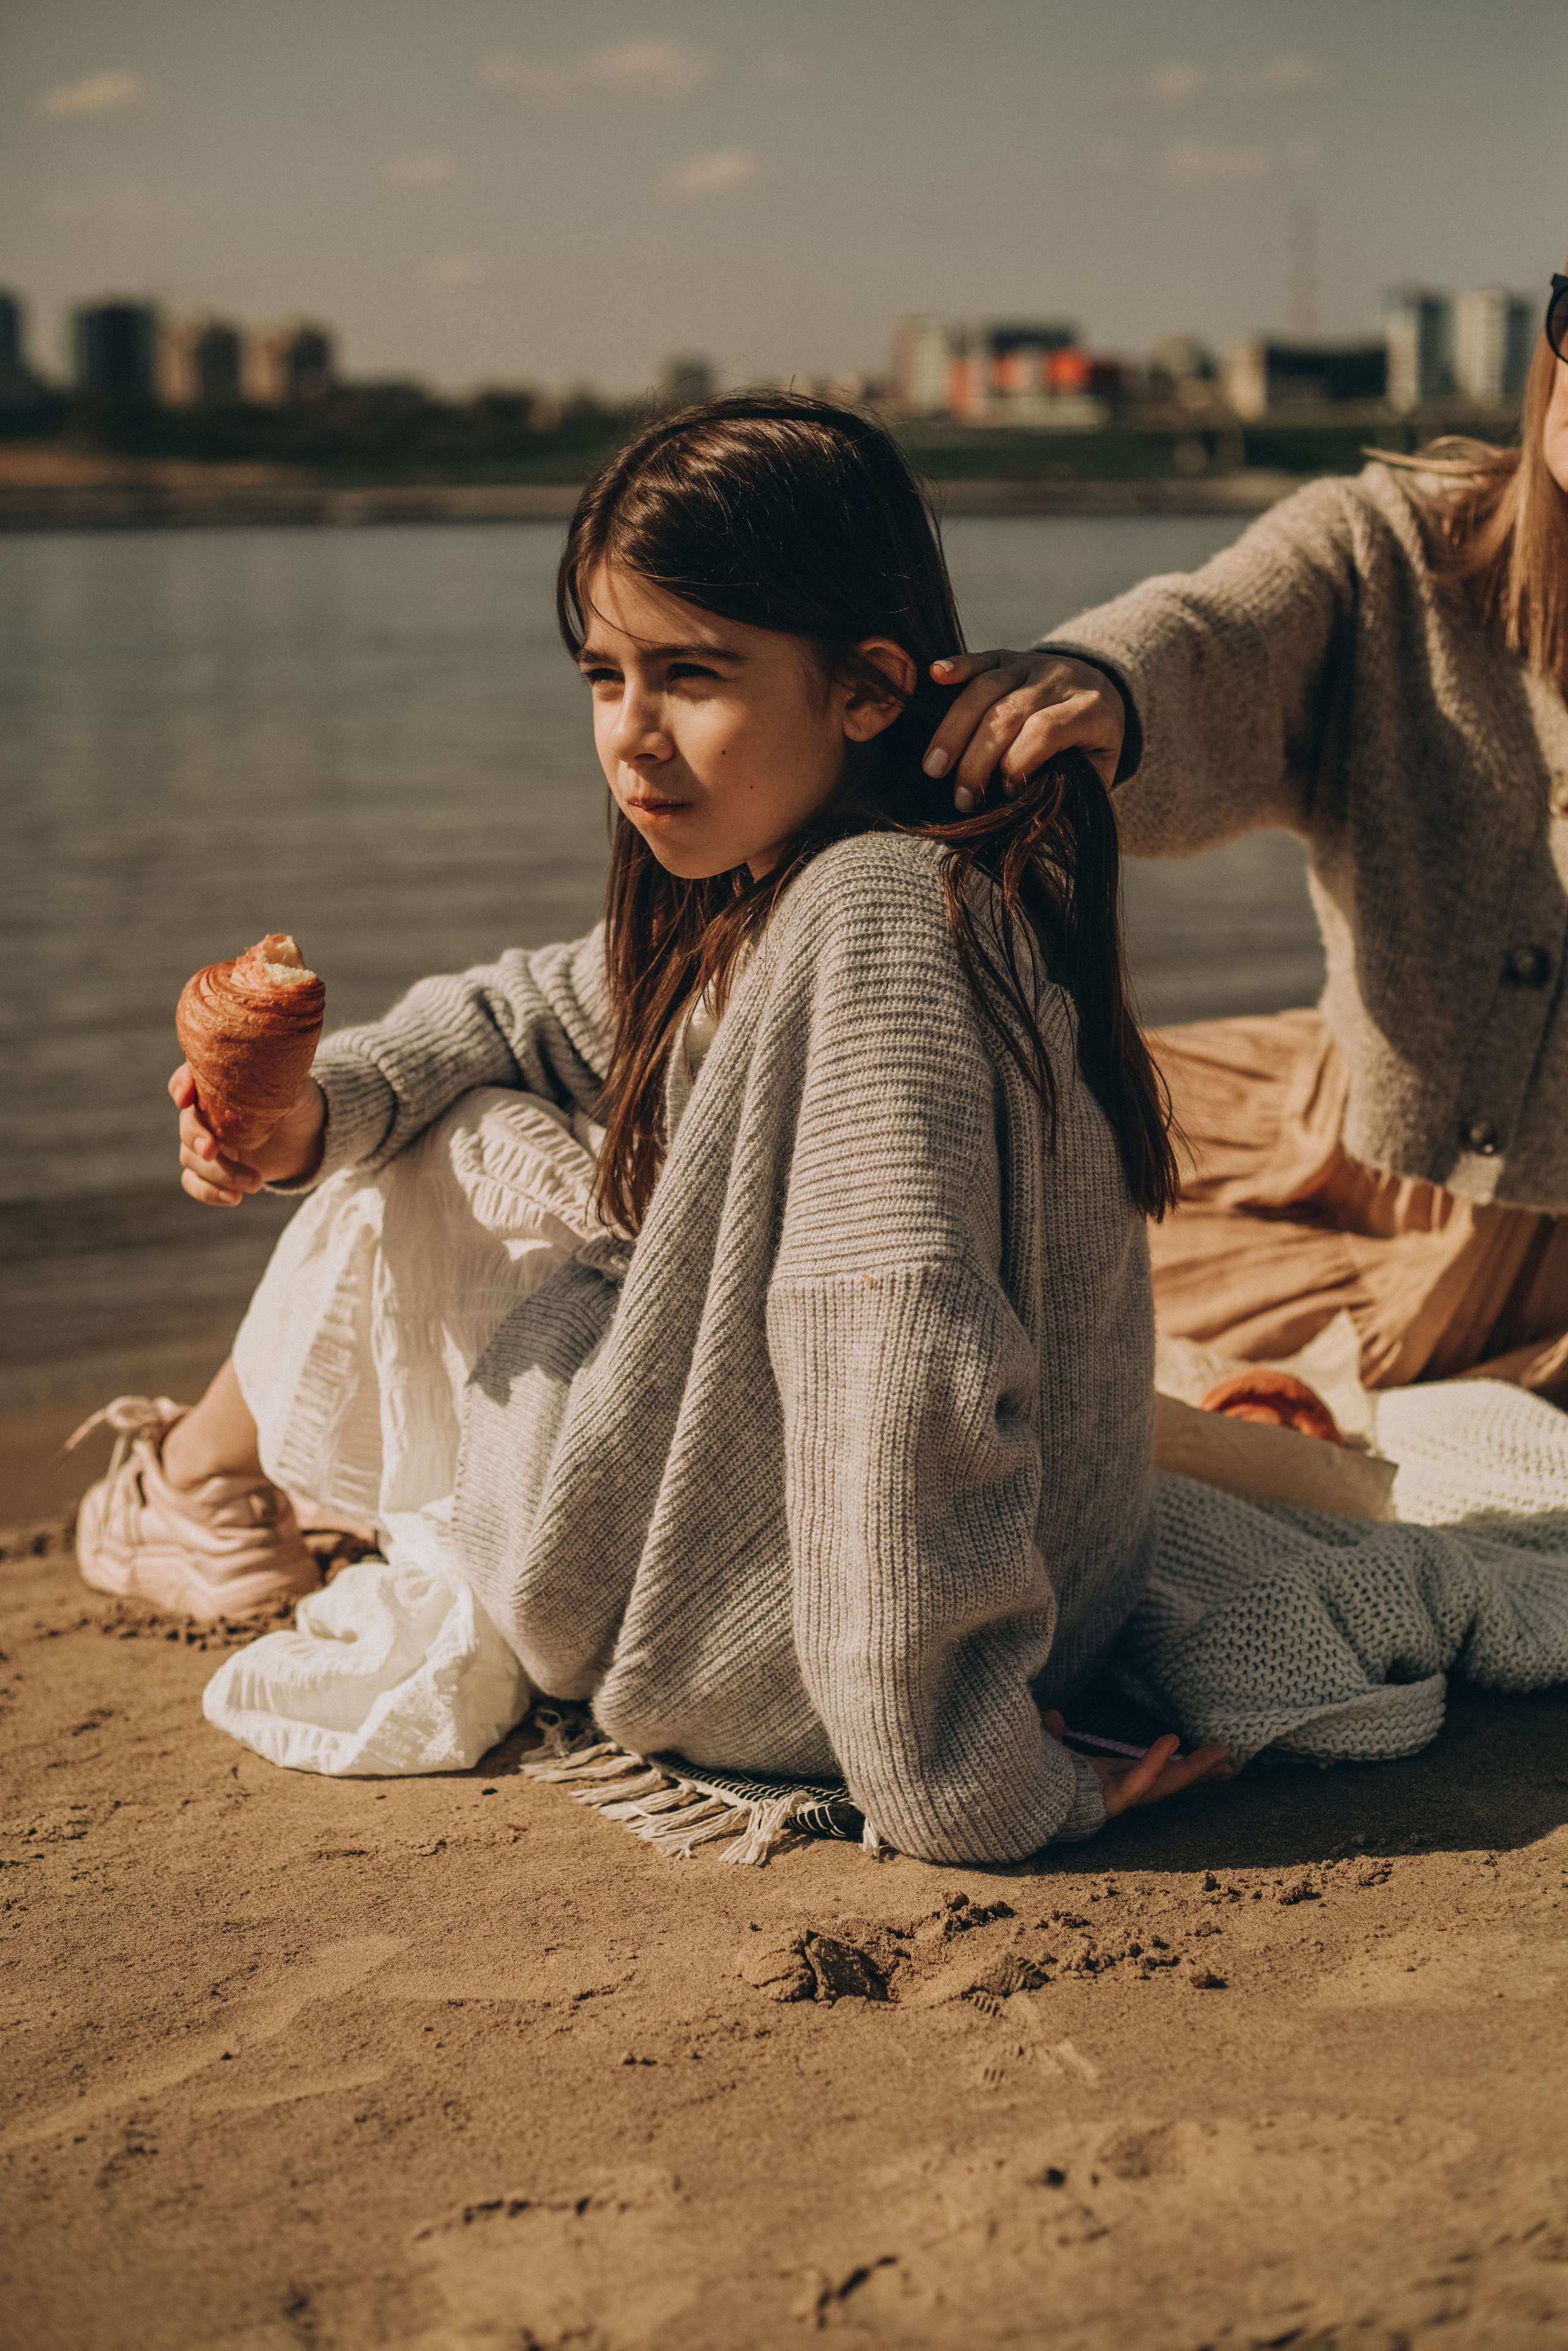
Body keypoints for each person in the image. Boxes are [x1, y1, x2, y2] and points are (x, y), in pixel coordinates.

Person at [70, 393, 1231, 1862]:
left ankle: (194, 1488)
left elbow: (895, 1348)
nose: (631, 737)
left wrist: (974, 1783)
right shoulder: (836, 890)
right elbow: (524, 1007)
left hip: (775, 1672)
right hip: (978, 1621)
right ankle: (209, 1482)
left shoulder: (872, 925)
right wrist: (307, 1115)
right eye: (603, 675)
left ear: (869, 686)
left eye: (691, 675)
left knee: (457, 1144)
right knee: (438, 1104)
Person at [921, 269, 1568, 1403]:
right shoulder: (1394, 549)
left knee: (1025, 1324)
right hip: (1319, 1121)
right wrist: (1102, 689)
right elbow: (1219, 632)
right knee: (928, 1139)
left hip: (1515, 1260)